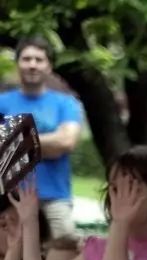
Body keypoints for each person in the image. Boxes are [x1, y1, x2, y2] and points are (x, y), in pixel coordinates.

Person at [0, 37, 82, 237]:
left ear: (49, 66)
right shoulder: (2, 102)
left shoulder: (66, 103)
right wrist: (48, 143)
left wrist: (13, 139)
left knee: (63, 255)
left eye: (39, 59)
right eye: (27, 59)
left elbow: (66, 141)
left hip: (55, 199)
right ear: (18, 63)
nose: (32, 65)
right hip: (9, 199)